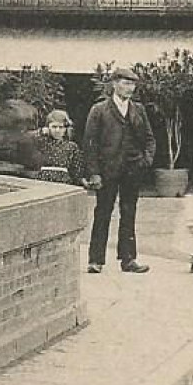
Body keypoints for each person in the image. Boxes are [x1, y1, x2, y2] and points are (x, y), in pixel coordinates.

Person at [82, 66, 156, 274]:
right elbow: (90, 143)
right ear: (114, 84)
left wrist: (146, 159)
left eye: (132, 84)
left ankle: (128, 259)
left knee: (129, 213)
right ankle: (96, 260)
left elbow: (150, 138)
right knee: (103, 213)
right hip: (107, 170)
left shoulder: (138, 110)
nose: (129, 88)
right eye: (125, 83)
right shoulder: (99, 110)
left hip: (133, 170)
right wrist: (94, 172)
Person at [30, 109, 85, 185]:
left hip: (63, 182)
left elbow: (76, 172)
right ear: (48, 127)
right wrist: (41, 132)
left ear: (65, 129)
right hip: (43, 181)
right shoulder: (42, 142)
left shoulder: (72, 147)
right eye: (54, 127)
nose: (57, 130)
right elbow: (28, 139)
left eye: (61, 127)